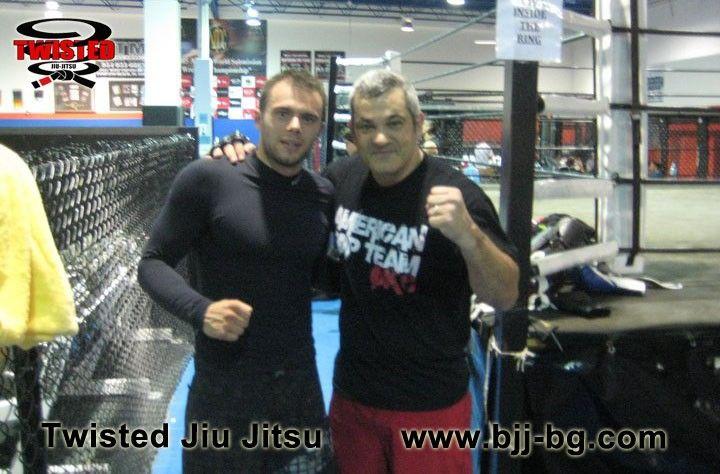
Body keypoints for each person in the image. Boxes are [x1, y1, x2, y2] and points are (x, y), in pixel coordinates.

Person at [213, 69, 519, 473]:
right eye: (367, 126)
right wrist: (236, 153)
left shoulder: (459, 196)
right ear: (353, 132)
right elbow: (276, 188)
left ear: (418, 124)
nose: (380, 138)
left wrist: (470, 236)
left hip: (430, 406)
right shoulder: (340, 180)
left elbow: (505, 295)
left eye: (394, 123)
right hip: (354, 397)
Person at [138, 69, 335, 473]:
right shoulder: (209, 178)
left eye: (308, 117)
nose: (294, 126)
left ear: (319, 128)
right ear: (258, 117)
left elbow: (319, 275)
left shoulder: (322, 194)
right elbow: (152, 262)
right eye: (283, 113)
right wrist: (201, 310)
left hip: (299, 389)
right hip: (224, 392)